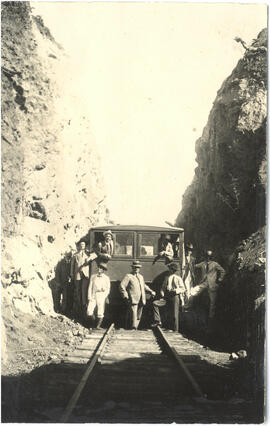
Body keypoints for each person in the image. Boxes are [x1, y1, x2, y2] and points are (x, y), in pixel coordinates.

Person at [186, 250, 225, 319]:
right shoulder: (203, 263)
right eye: (207, 256)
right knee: (192, 292)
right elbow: (194, 266)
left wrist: (219, 279)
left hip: (212, 284)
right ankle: (187, 307)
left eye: (209, 257)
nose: (208, 258)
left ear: (211, 257)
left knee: (213, 302)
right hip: (204, 283)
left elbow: (223, 271)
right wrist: (190, 260)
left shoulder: (215, 264)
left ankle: (211, 317)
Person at [119, 260, 156, 330]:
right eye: (135, 267)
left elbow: (143, 286)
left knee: (139, 315)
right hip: (133, 298)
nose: (136, 269)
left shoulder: (141, 277)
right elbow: (122, 286)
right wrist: (125, 295)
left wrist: (151, 291)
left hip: (141, 299)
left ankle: (135, 327)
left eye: (138, 268)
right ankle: (133, 327)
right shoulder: (128, 276)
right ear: (132, 268)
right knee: (133, 314)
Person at [152, 262, 186, 332]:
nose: (170, 270)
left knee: (174, 314)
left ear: (174, 270)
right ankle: (160, 323)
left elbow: (183, 288)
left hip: (174, 297)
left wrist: (175, 291)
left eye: (172, 269)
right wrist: (162, 293)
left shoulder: (178, 278)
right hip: (166, 297)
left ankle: (175, 330)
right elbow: (163, 288)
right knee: (156, 304)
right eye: (170, 269)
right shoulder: (166, 277)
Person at [70, 241, 94, 318]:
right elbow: (72, 265)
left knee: (85, 290)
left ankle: (84, 305)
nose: (82, 246)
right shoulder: (75, 255)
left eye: (83, 244)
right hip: (77, 273)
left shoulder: (88, 254)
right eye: (81, 245)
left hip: (86, 274)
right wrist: (71, 274)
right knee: (77, 290)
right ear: (79, 246)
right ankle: (78, 306)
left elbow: (94, 257)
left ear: (85, 246)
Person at [87, 262, 110, 329]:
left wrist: (104, 296)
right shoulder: (93, 276)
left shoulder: (106, 278)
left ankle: (98, 326)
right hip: (93, 294)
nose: (99, 269)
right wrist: (89, 296)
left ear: (103, 270)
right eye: (99, 267)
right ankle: (92, 324)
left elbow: (108, 289)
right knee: (89, 310)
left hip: (101, 295)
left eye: (101, 268)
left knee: (100, 311)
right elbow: (90, 287)